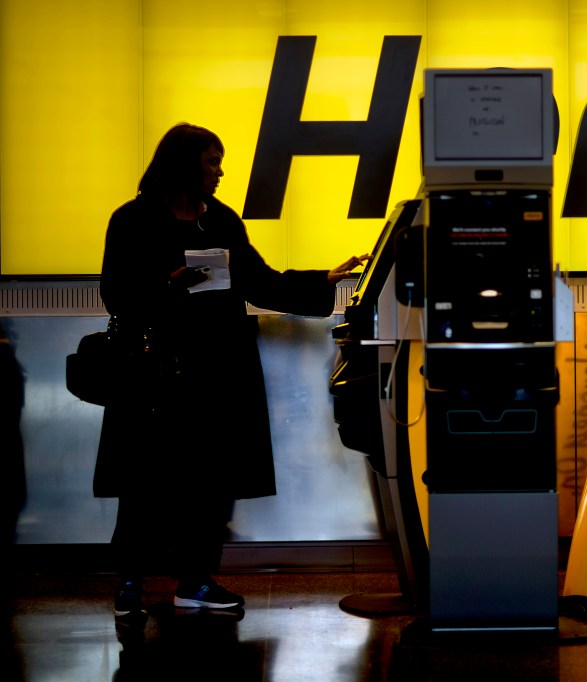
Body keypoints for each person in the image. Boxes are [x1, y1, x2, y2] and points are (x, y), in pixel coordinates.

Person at [95, 123, 367, 619]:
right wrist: (168, 285)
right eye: (211, 163)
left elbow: (258, 281)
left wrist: (321, 280)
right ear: (183, 165)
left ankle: (193, 580)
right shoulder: (132, 220)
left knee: (209, 480)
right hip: (155, 373)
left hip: (217, 370)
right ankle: (131, 582)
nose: (220, 173)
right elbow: (115, 293)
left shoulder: (219, 219)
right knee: (145, 481)